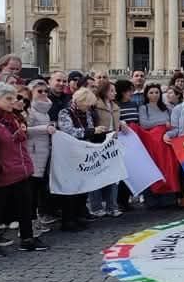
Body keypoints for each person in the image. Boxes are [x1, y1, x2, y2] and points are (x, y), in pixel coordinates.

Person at [0, 83, 45, 256]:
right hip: (0, 168)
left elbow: (17, 137)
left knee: (25, 204)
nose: (13, 102)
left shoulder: (10, 116)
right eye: (8, 98)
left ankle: (27, 238)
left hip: (19, 166)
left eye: (13, 98)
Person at [57, 88, 107, 228]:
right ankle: (68, 219)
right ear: (79, 101)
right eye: (87, 104)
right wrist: (91, 131)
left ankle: (79, 214)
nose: (89, 107)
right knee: (70, 189)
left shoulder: (87, 113)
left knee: (82, 187)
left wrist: (102, 133)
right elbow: (69, 131)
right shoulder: (65, 112)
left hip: (84, 153)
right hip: (70, 154)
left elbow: (90, 129)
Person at [25, 80, 57, 228]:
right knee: (31, 189)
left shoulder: (44, 109)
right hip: (33, 152)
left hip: (44, 151)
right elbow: (25, 130)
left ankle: (36, 220)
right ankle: (29, 223)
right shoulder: (30, 110)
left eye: (45, 91)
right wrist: (45, 128)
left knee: (39, 187)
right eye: (40, 91)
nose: (44, 94)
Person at [90, 80, 122, 218]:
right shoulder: (95, 105)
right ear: (104, 91)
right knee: (97, 175)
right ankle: (96, 206)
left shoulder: (115, 106)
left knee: (114, 176)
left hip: (112, 143)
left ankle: (112, 206)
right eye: (112, 91)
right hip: (98, 142)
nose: (115, 93)